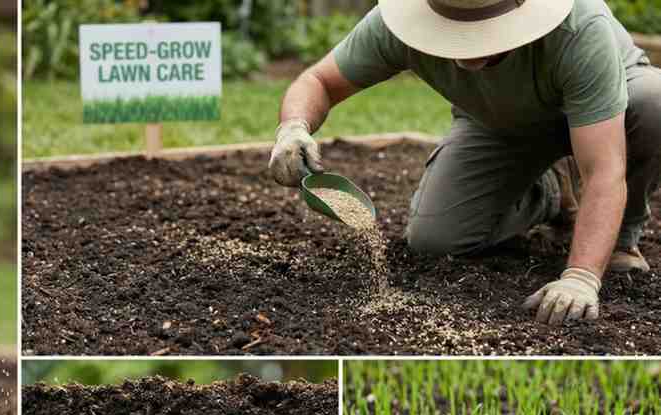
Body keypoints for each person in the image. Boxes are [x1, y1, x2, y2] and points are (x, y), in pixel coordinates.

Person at [268, 0, 661, 326]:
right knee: (435, 240)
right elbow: (319, 81)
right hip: (500, 123)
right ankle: (553, 191)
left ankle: (620, 240)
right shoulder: (397, 24)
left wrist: (580, 277)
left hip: (611, 117)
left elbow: (605, 169)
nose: (468, 43)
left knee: (653, 104)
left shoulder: (578, 27)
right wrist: (293, 128)